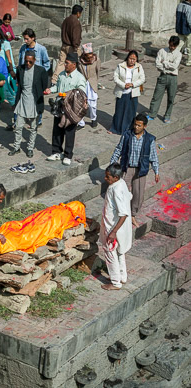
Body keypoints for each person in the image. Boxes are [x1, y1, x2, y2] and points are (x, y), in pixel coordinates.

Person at [110, 113, 160, 227]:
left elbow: (153, 156)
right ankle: (121, 214)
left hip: (140, 169)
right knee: (122, 192)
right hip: (127, 168)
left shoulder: (149, 139)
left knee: (138, 194)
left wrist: (156, 171)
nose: (136, 127)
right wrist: (112, 164)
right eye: (135, 125)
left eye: (139, 125)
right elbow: (118, 149)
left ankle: (132, 215)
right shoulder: (127, 135)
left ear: (144, 126)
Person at [45, 52, 86, 166]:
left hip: (71, 109)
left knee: (69, 131)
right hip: (59, 106)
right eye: (65, 63)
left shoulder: (79, 78)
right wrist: (50, 90)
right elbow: (57, 87)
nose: (65, 65)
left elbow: (82, 94)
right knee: (57, 129)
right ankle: (56, 151)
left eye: (67, 63)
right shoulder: (62, 74)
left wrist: (67, 95)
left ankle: (68, 155)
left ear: (74, 64)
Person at [8, 51, 48, 158]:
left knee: (33, 128)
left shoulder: (40, 71)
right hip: (22, 101)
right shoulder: (20, 69)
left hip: (34, 103)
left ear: (34, 60)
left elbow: (44, 85)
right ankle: (16, 147)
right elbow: (19, 84)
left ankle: (30, 148)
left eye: (30, 62)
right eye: (26, 61)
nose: (28, 64)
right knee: (18, 126)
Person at [99, 163, 132, 291]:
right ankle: (122, 276)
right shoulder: (120, 184)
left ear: (116, 177)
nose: (105, 179)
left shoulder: (116, 189)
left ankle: (115, 282)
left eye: (108, 177)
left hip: (113, 227)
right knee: (119, 252)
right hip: (117, 227)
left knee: (110, 252)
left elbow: (123, 214)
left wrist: (113, 232)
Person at [17, 28, 50, 128]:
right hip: (25, 77)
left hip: (36, 79)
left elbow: (47, 64)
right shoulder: (23, 48)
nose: (25, 41)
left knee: (37, 98)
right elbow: (20, 63)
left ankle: (37, 119)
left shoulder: (41, 49)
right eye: (24, 39)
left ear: (33, 38)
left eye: (27, 39)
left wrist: (40, 73)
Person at [146, 36, 182, 124]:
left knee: (171, 98)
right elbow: (157, 64)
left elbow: (174, 66)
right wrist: (167, 67)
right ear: (169, 42)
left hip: (173, 78)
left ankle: (167, 116)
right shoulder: (162, 51)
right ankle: (152, 114)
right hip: (163, 76)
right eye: (171, 45)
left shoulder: (178, 54)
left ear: (177, 46)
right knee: (156, 96)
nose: (172, 47)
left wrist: (164, 62)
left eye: (174, 46)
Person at [110, 50, 145, 135]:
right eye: (130, 58)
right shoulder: (120, 66)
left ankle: (129, 130)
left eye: (134, 59)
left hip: (133, 93)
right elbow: (115, 77)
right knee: (119, 111)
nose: (132, 61)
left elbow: (142, 79)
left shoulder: (139, 67)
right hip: (122, 92)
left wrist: (133, 84)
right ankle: (115, 129)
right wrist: (123, 85)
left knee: (131, 112)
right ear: (127, 58)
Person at [51, 4, 83, 85]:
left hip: (64, 45)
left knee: (61, 63)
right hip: (72, 47)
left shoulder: (66, 20)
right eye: (80, 13)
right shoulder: (76, 22)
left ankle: (54, 80)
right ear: (78, 13)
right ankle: (82, 80)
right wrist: (76, 47)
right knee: (79, 63)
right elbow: (75, 37)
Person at [77, 42, 101, 129]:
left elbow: (98, 72)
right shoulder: (80, 61)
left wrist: (95, 82)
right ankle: (81, 122)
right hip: (83, 83)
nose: (89, 57)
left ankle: (93, 118)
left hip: (92, 83)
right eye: (87, 55)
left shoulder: (96, 60)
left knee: (92, 104)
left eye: (90, 54)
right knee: (81, 103)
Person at [176, 0, 191, 66]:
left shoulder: (179, 5)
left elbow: (177, 16)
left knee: (179, 45)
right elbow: (189, 20)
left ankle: (174, 59)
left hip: (180, 28)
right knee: (189, 46)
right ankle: (189, 61)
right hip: (188, 29)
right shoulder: (189, 7)